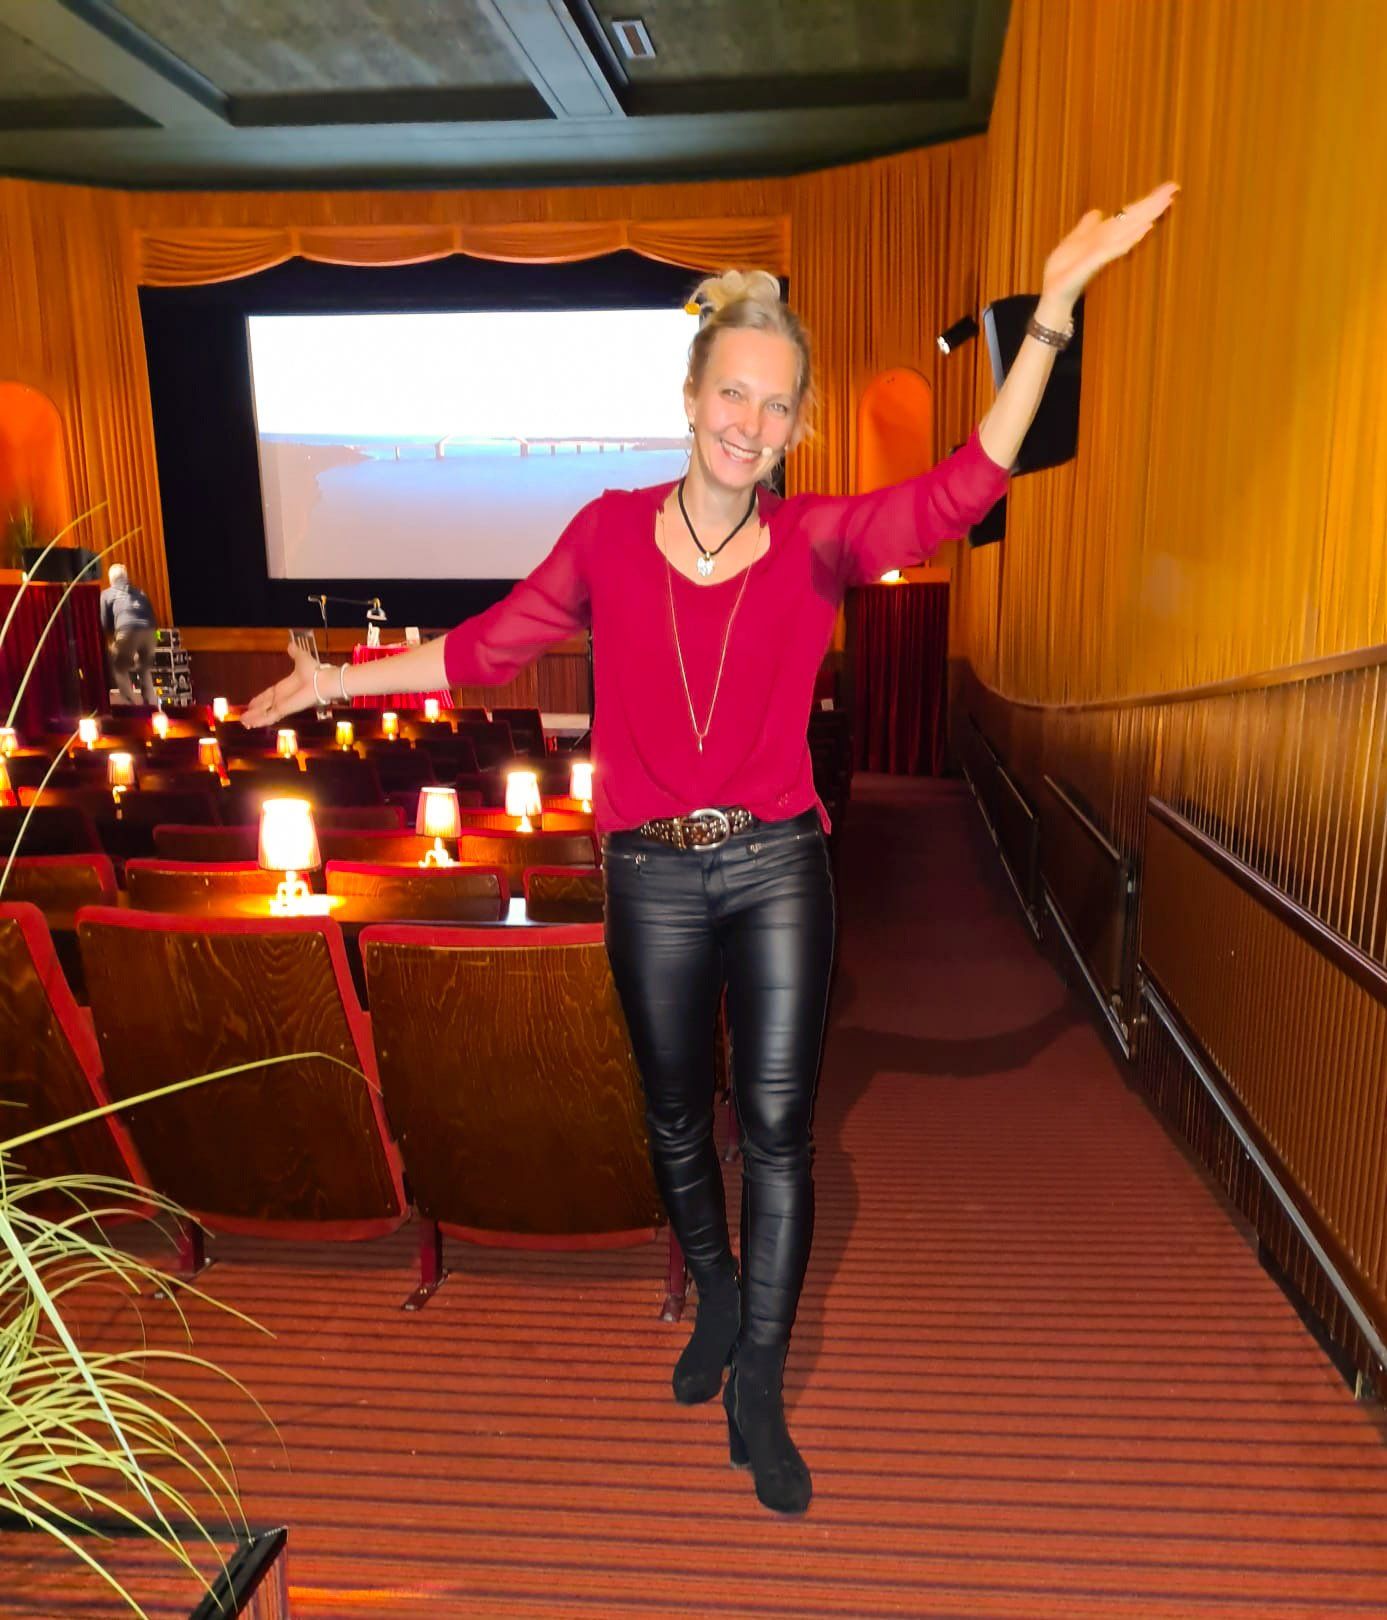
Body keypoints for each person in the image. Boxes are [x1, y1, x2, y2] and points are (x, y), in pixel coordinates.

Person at [242, 182, 1179, 1515]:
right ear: (690, 400)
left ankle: (759, 1379)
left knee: (781, 1132)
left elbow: (965, 484)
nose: (750, 422)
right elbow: (485, 648)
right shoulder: (603, 533)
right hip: (648, 872)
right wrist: (335, 681)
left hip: (777, 863)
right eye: (732, 394)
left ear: (794, 427)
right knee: (676, 1113)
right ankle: (720, 1289)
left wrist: (1054, 312)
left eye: (775, 406)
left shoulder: (817, 540)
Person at [99, 562, 159, 706]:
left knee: (119, 666)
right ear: (126, 578)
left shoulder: (107, 594)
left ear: (110, 579)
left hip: (127, 631)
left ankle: (130, 705)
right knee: (144, 668)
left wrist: (112, 641)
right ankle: (151, 704)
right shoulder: (140, 593)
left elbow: (104, 622)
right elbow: (152, 616)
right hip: (150, 633)